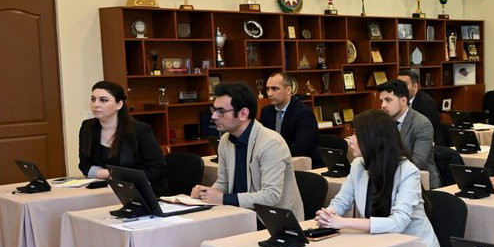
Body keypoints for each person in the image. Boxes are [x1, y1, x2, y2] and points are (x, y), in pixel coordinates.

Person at [316, 109, 440, 247]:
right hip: (378, 244)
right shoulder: (358, 165)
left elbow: (398, 223)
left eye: (356, 134)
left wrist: (343, 222)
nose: (350, 140)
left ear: (373, 139)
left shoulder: (408, 171)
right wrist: (329, 214)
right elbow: (342, 201)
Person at [193, 82, 303, 218]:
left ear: (243, 113)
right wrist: (206, 193)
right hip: (239, 214)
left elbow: (271, 196)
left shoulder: (271, 143)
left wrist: (223, 199)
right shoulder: (225, 140)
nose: (214, 116)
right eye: (214, 110)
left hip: (274, 220)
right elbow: (224, 183)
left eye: (220, 111)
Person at [78, 80, 168, 193]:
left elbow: (158, 168)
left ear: (119, 104)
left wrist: (116, 176)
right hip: (105, 189)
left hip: (142, 190)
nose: (96, 105)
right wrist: (111, 174)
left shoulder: (140, 130)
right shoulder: (87, 127)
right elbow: (84, 164)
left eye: (103, 100)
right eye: (93, 99)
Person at [377, 80, 441, 189]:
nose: (383, 105)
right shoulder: (382, 122)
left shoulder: (422, 124)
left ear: (403, 101)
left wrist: (386, 167)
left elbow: (417, 162)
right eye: (381, 101)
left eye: (388, 100)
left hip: (422, 184)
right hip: (390, 181)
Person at [259, 71, 318, 163]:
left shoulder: (304, 113)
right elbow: (261, 141)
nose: (269, 94)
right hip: (273, 162)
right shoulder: (266, 112)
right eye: (268, 89)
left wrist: (272, 154)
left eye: (274, 89)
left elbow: (300, 147)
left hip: (301, 164)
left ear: (288, 90)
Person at [398, 68, 440, 136]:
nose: (400, 88)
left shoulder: (427, 103)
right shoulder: (397, 101)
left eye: (404, 85)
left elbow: (425, 131)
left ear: (415, 87)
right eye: (398, 85)